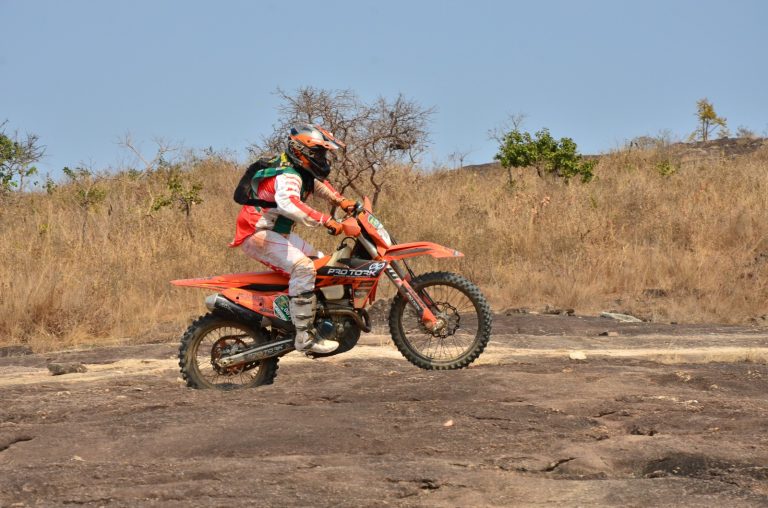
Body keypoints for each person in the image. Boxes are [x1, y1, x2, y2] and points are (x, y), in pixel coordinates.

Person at [229, 124, 357, 354]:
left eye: (323, 153)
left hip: (275, 232)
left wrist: (340, 200)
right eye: (318, 153)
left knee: (324, 265)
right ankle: (304, 337)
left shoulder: (298, 169)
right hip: (257, 232)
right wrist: (325, 220)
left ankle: (311, 319)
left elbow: (316, 184)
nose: (322, 158)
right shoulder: (287, 175)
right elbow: (289, 204)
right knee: (304, 268)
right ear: (301, 151)